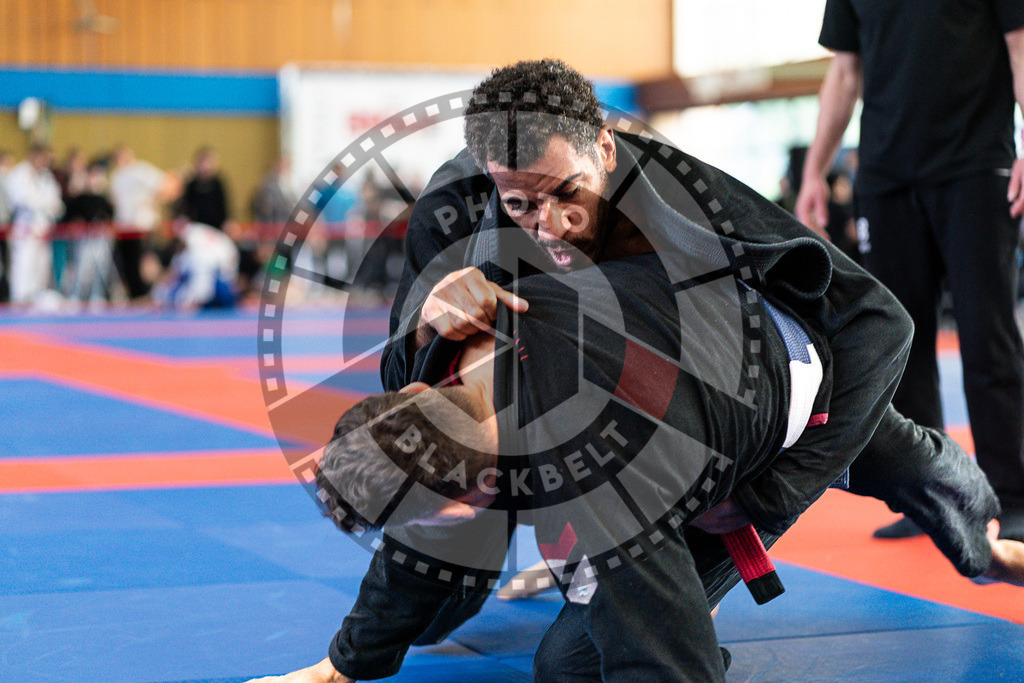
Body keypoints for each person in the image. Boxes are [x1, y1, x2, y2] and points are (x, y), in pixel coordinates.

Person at [251, 60, 1012, 682]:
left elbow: (877, 322)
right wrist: (347, 661)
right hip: (632, 417)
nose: (548, 223)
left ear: (607, 151)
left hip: (768, 388)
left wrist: (768, 494)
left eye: (565, 195)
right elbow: (418, 415)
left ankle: (985, 529)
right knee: (473, 520)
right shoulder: (465, 238)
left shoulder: (682, 196)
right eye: (519, 203)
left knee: (907, 469)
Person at [795, 0, 1024, 541]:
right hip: (885, 174)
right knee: (902, 340)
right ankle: (931, 495)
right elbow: (845, 71)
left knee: (987, 334)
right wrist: (814, 171)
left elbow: (1020, 47)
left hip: (975, 165)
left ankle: (1012, 495)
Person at [109, 145, 175, 301]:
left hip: (141, 226)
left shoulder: (141, 171)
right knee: (125, 264)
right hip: (123, 227)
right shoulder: (116, 177)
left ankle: (149, 294)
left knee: (144, 262)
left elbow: (166, 184)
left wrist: (152, 203)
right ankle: (134, 295)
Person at [4, 144, 63, 306]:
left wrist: (43, 203)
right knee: (23, 262)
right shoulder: (19, 173)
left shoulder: (46, 175)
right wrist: (44, 203)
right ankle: (19, 298)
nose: (45, 162)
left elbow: (56, 202)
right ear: (34, 156)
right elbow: (22, 200)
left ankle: (37, 297)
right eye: (43, 158)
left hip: (43, 226)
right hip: (24, 225)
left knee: (42, 264)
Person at [63, 161, 116, 306]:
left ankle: (97, 296)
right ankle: (76, 296)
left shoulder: (104, 199)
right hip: (83, 238)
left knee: (100, 269)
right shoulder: (80, 199)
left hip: (99, 238)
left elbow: (110, 216)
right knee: (81, 268)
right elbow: (70, 216)